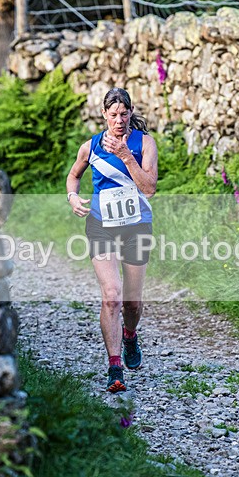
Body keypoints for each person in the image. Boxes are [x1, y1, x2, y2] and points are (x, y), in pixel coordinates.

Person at [66, 87, 158, 393]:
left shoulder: (144, 143)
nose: (119, 120)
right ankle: (114, 367)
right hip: (101, 225)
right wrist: (72, 196)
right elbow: (74, 175)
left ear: (131, 113)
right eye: (113, 114)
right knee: (111, 294)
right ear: (104, 114)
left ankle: (130, 335)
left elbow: (149, 188)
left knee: (132, 302)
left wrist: (125, 156)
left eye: (124, 114)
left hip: (136, 226)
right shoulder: (90, 146)